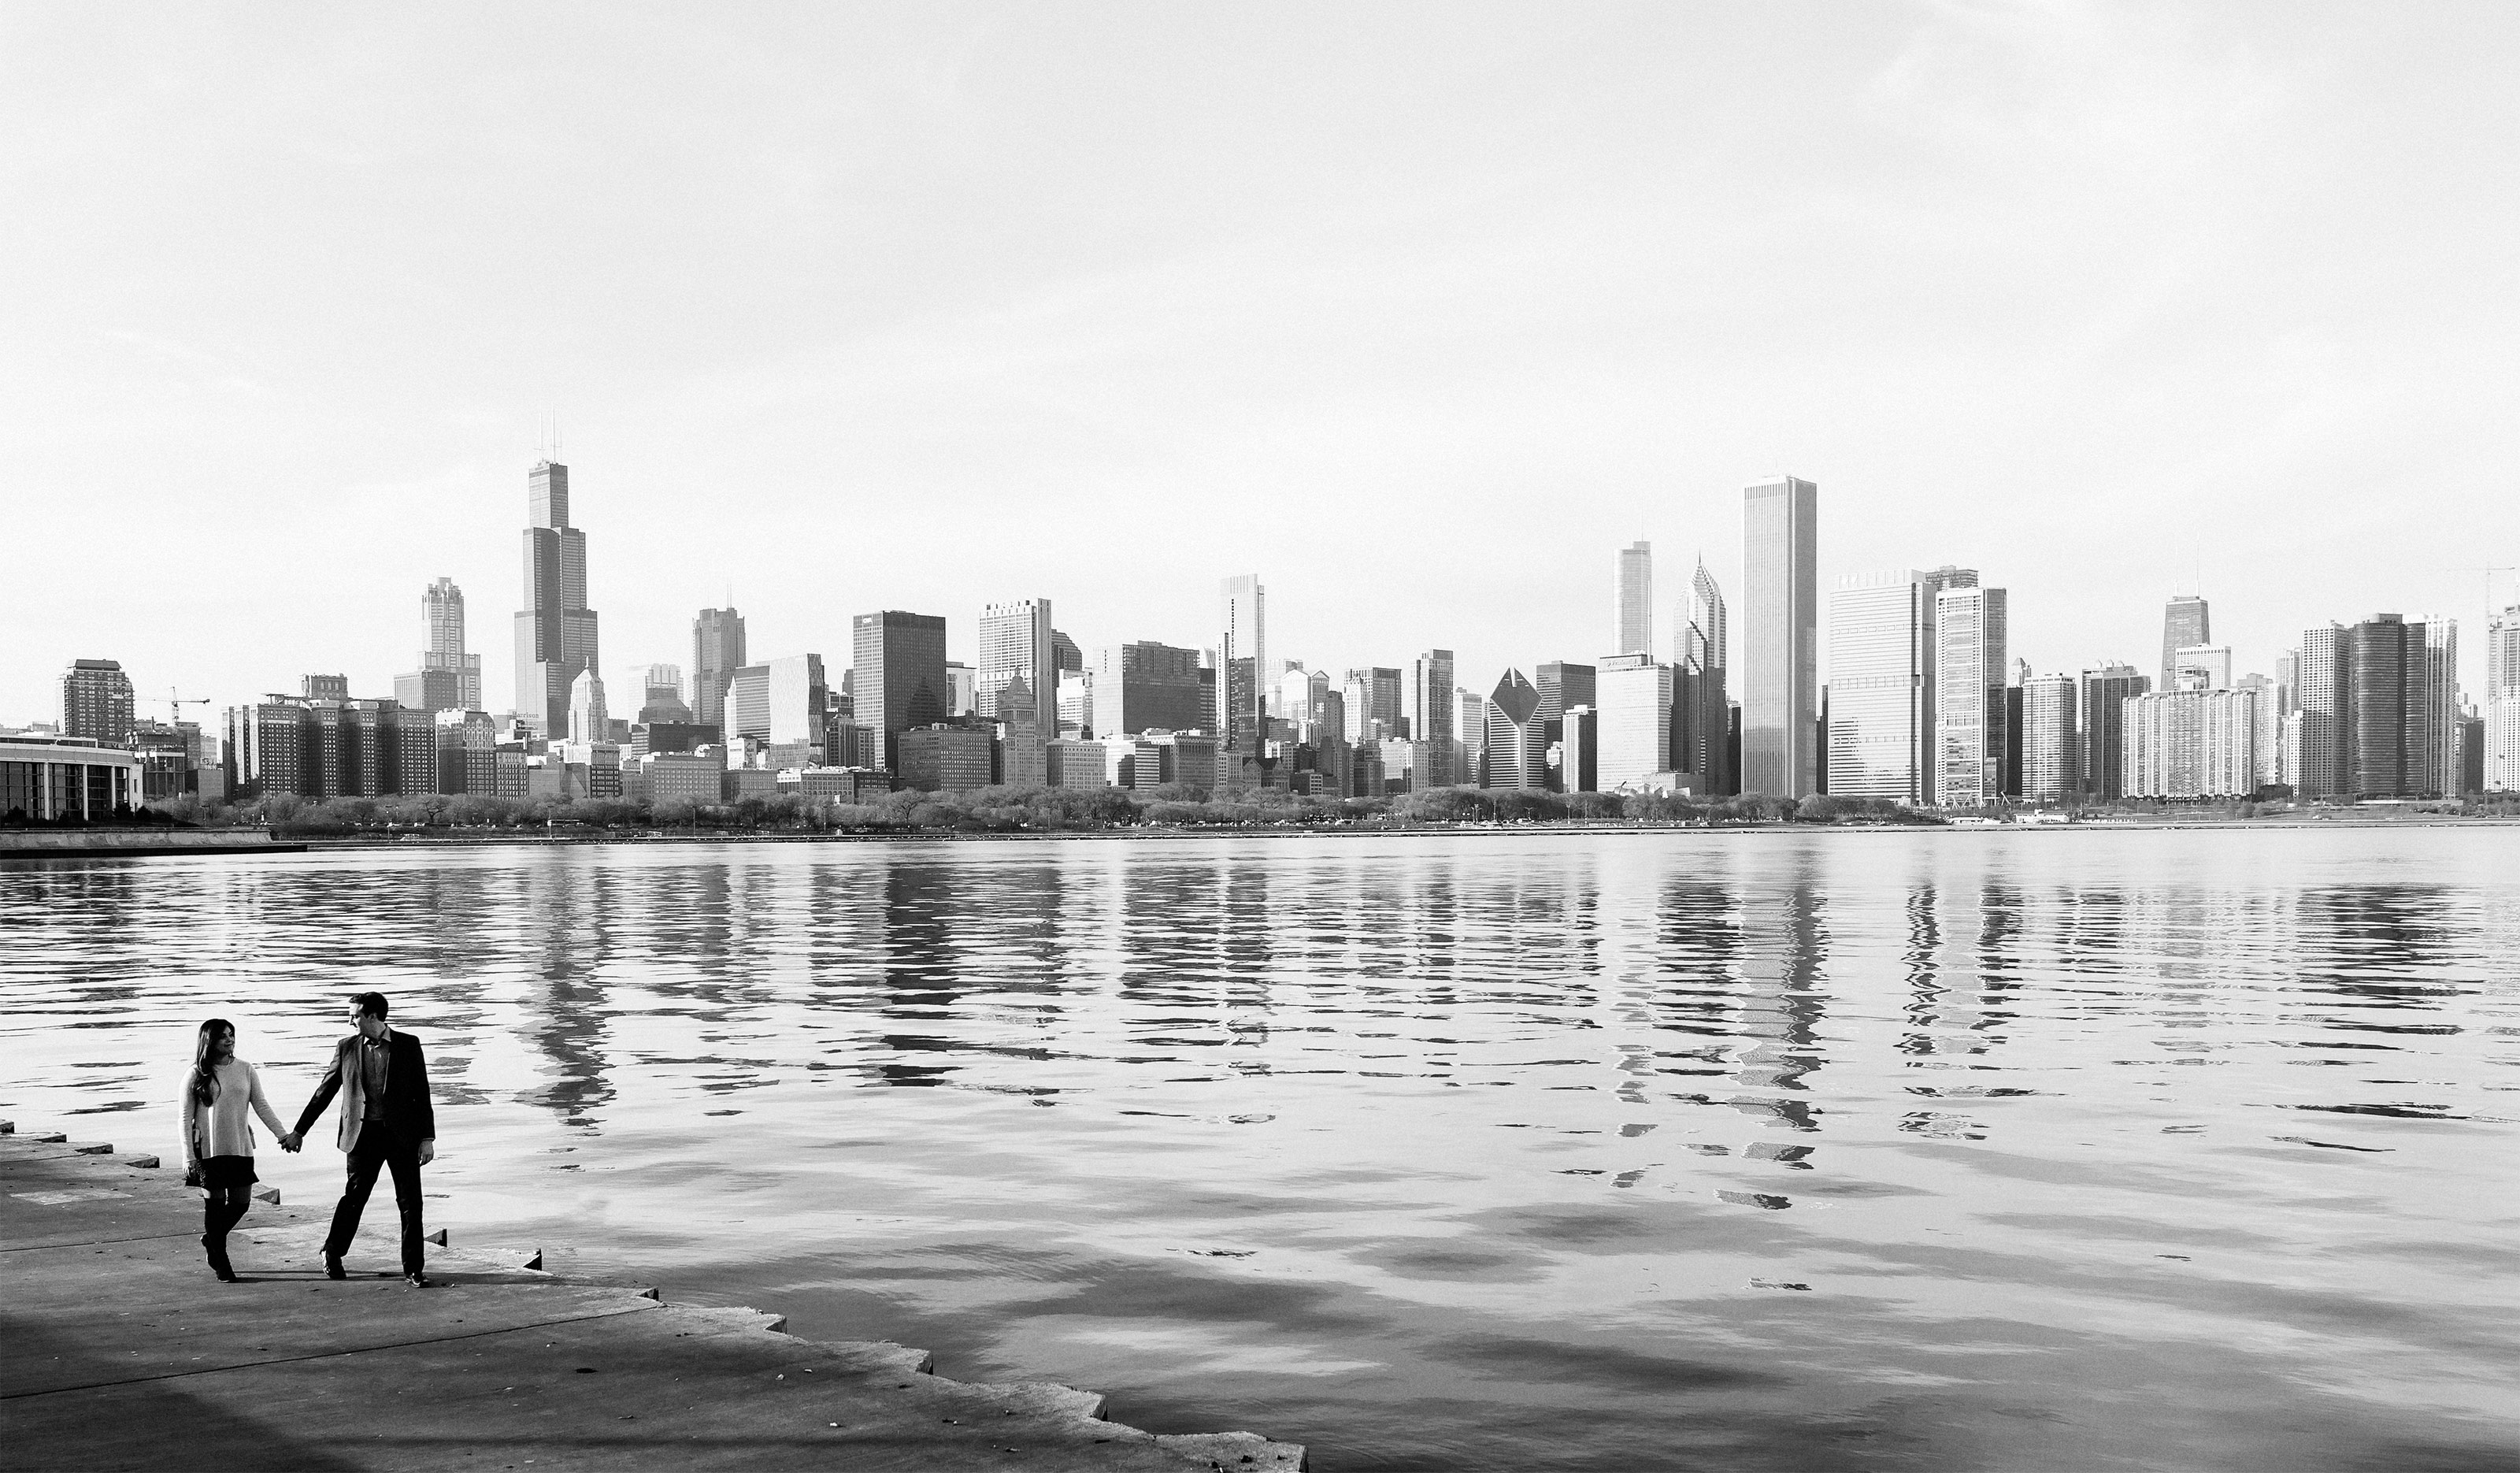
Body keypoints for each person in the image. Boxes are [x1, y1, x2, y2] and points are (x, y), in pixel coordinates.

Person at [282, 991, 438, 1286]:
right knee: (354, 1198)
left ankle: (414, 1269)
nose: (349, 1021)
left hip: (402, 1137)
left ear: (372, 1017)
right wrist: (299, 1131)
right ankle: (332, 1252)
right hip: (362, 1136)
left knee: (411, 1203)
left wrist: (427, 1138)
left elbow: (422, 1093)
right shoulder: (347, 1048)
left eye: (354, 1015)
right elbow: (324, 1092)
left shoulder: (408, 1045)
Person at [180, 1017, 293, 1282]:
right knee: (215, 1207)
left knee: (241, 1204)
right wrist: (188, 1157)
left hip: (240, 1147)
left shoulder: (245, 1069)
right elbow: (184, 1117)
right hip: (209, 1151)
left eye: (231, 1034)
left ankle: (211, 1240)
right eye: (223, 1036)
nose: (229, 1039)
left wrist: (282, 1135)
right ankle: (222, 1263)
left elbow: (261, 1105)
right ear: (209, 1041)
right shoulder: (195, 1074)